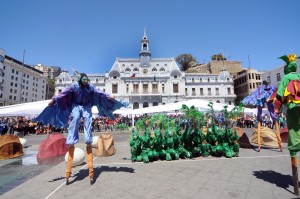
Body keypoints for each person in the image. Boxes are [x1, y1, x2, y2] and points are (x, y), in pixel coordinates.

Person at [34, 73, 124, 185]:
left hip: (86, 105)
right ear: (80, 80)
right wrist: (54, 99)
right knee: (75, 117)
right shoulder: (74, 86)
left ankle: (88, 138)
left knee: (88, 118)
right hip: (75, 105)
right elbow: (63, 94)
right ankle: (71, 139)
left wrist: (108, 96)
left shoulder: (89, 86)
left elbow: (98, 91)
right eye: (84, 81)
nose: (86, 82)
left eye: (87, 81)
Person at [273, 54, 300, 195]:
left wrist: (276, 109)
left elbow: (279, 95)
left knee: (294, 135)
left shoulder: (286, 78)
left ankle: (296, 186)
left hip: (293, 111)